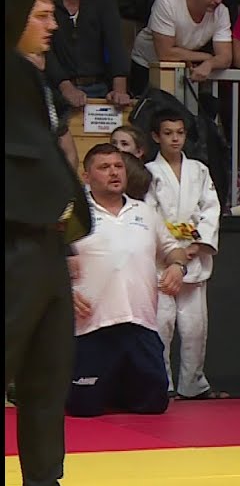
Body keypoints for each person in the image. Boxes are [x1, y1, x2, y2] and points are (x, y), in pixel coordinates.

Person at [5, 0, 103, 486]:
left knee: (48, 375)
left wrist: (67, 235)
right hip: (11, 246)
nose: (50, 25)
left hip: (45, 244)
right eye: (40, 15)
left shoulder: (37, 81)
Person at [67, 144, 189, 419]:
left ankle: (117, 388)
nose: (114, 173)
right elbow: (48, 258)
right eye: (104, 167)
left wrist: (178, 267)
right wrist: (65, 290)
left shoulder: (145, 212)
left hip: (140, 324)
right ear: (86, 177)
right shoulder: (74, 213)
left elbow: (174, 249)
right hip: (91, 325)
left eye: (118, 166)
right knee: (83, 409)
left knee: (154, 404)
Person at [145, 110, 225, 399]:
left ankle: (193, 384)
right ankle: (160, 384)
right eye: (168, 133)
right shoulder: (149, 172)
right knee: (161, 326)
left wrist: (195, 246)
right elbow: (149, 213)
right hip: (161, 260)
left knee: (194, 328)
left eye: (179, 133)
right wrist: (171, 250)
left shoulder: (199, 170)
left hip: (194, 254)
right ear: (156, 137)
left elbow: (211, 209)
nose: (175, 139)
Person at [47, 0, 131, 109]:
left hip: (98, 86)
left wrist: (119, 90)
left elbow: (115, 43)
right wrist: (66, 87)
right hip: (56, 88)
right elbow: (45, 50)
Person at [128, 0, 232, 95]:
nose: (219, 0)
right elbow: (165, 54)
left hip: (181, 67)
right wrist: (207, 57)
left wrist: (209, 64)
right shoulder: (167, 2)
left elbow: (226, 57)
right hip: (147, 64)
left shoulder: (222, 11)